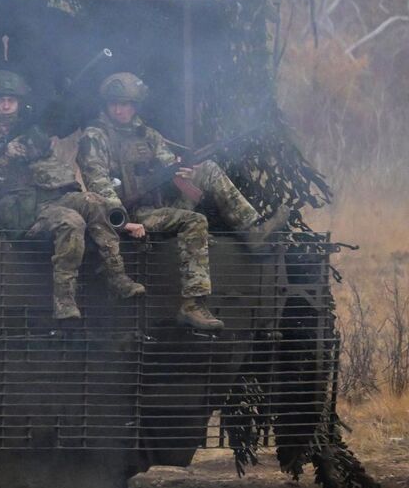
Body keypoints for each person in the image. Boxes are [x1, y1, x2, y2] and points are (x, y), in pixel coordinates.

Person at [77, 72, 292, 329]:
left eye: (125, 104)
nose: (119, 109)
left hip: (158, 205)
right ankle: (192, 304)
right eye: (114, 103)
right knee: (195, 221)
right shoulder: (95, 137)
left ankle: (253, 231)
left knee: (208, 168)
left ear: (135, 105)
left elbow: (168, 163)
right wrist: (120, 219)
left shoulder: (147, 135)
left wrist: (181, 172)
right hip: (131, 214)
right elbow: (98, 182)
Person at [0, 70, 147, 321]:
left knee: (94, 202)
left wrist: (40, 145)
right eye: (0, 99)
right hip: (23, 210)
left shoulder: (29, 128)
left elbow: (55, 171)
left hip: (52, 196)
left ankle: (116, 276)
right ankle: (64, 299)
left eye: (11, 99)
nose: (6, 105)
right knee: (72, 221)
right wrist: (7, 156)